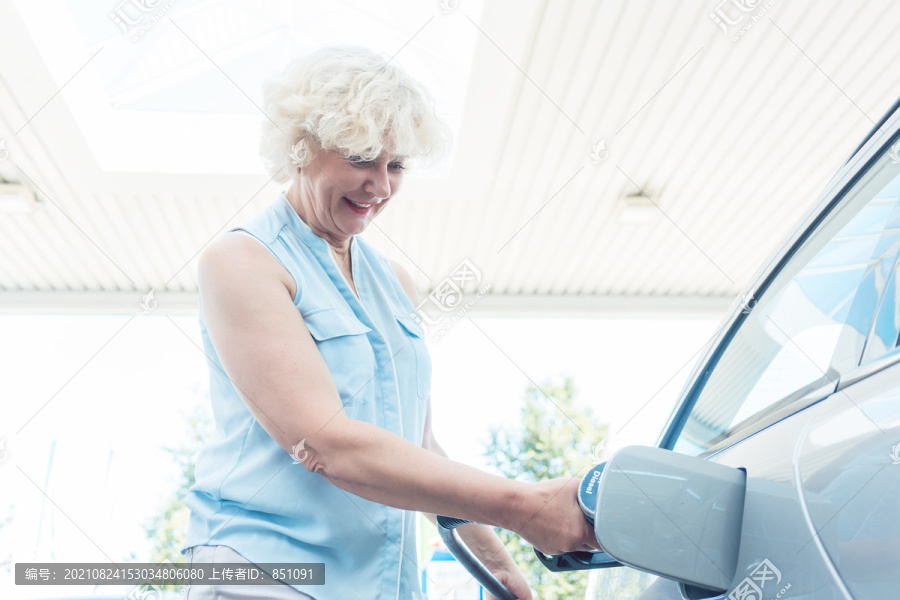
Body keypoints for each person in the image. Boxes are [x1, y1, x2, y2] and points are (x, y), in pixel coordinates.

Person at [181, 45, 599, 600]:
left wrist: (497, 566)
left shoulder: (394, 282)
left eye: (396, 165)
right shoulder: (242, 261)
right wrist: (527, 506)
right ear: (301, 148)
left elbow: (417, 446)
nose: (380, 186)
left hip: (379, 583)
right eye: (361, 158)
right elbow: (326, 443)